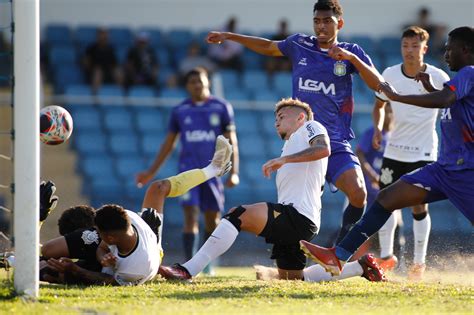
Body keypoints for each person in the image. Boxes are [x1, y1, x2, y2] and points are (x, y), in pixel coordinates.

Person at [299, 26, 474, 277]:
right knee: (385, 199)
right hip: (443, 169)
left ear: (465, 50)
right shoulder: (460, 78)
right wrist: (430, 90)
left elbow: (446, 100)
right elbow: (449, 100)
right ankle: (338, 256)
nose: (445, 54)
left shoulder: (469, 72)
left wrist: (398, 96)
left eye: (449, 49)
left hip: (466, 171)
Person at [206, 0, 384, 244]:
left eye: (327, 21)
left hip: (333, 141)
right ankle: (289, 257)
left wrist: (352, 58)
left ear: (339, 23)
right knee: (295, 211)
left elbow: (379, 86)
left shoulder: (350, 52)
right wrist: (230, 36)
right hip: (302, 142)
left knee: (358, 194)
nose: (320, 26)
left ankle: (340, 251)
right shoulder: (300, 45)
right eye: (316, 21)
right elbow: (269, 47)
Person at [158, 98, 385, 282]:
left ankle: (187, 270)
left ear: (300, 116)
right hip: (301, 221)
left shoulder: (311, 127)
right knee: (293, 278)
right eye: (276, 118)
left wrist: (283, 160)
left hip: (298, 216)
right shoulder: (292, 142)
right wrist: (284, 159)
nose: (276, 121)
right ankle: (361, 267)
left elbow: (324, 149)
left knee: (237, 214)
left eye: (282, 116)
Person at [38, 135, 233, 285]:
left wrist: (38, 218)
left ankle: (214, 168)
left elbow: (48, 255)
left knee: (157, 188)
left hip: (146, 243)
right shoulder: (121, 253)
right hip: (147, 247)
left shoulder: (118, 240)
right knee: (49, 261)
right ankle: (213, 169)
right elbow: (109, 272)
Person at [136, 67, 239, 275]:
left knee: (212, 219)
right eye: (192, 82)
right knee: (190, 215)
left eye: (200, 81)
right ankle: (189, 263)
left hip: (212, 173)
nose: (197, 85)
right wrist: (151, 171)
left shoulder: (221, 107)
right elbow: (168, 144)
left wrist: (234, 171)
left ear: (207, 82)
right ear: (187, 86)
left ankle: (206, 263)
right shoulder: (180, 110)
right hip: (188, 171)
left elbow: (231, 141)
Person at [372, 26, 450, 280]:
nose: (409, 51)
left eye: (415, 46)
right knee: (385, 201)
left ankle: (418, 264)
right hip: (394, 150)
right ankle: (385, 258)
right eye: (405, 46)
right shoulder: (390, 74)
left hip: (424, 152)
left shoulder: (438, 77)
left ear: (424, 49)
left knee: (419, 205)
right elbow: (379, 105)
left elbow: (452, 105)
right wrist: (377, 129)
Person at [81, 28, 123, 92]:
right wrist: (90, 67)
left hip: (108, 72)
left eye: (105, 35)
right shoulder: (91, 48)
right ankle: (95, 96)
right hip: (94, 71)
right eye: (102, 35)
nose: (104, 37)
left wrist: (115, 69)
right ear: (98, 36)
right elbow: (86, 62)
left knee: (118, 72)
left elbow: (115, 63)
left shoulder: (111, 49)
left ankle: (120, 94)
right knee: (98, 72)